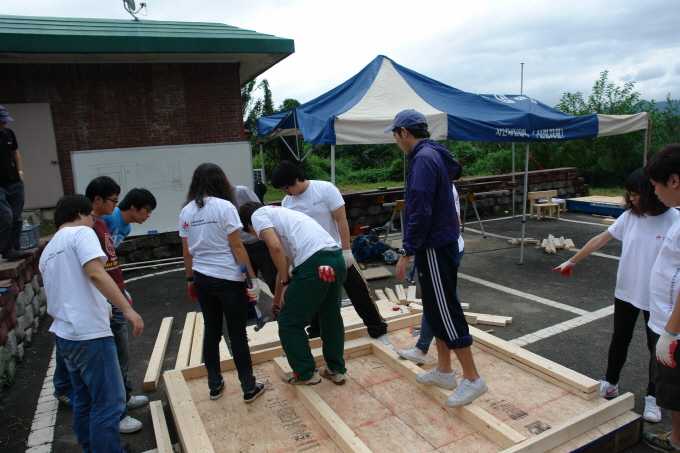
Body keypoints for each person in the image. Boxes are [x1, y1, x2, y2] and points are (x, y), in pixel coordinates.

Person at [554, 168, 677, 423]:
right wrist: (572, 260)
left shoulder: (674, 220)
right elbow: (601, 239)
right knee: (620, 339)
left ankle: (653, 396)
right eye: (629, 194)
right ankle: (611, 383)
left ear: (651, 192)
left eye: (636, 194)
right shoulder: (631, 217)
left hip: (658, 298)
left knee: (654, 347)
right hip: (627, 291)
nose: (631, 199)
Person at [388, 109, 487, 407]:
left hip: (434, 246)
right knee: (434, 308)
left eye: (395, 135)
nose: (396, 141)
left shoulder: (422, 160)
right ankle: (444, 370)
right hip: (441, 242)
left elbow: (419, 210)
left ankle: (473, 379)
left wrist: (407, 251)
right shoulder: (434, 154)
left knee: (446, 310)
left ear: (404, 132)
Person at [40, 194, 144, 453]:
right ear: (79, 214)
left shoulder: (49, 249)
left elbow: (67, 288)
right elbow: (96, 273)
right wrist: (127, 308)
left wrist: (103, 304)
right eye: (91, 216)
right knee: (109, 403)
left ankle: (92, 447)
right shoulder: (81, 233)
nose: (94, 221)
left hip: (66, 336)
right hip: (90, 335)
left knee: (85, 400)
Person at [270, 161, 392, 348]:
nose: (286, 193)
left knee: (359, 291)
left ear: (296, 179)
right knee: (314, 299)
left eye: (286, 188)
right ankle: (316, 334)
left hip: (335, 253)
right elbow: (290, 236)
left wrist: (346, 250)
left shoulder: (324, 189)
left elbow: (341, 220)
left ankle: (378, 330)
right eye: (282, 191)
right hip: (309, 259)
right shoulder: (287, 203)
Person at [180, 163, 265, 403]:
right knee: (237, 334)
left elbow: (186, 253)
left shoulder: (186, 211)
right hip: (228, 279)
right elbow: (237, 247)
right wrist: (252, 279)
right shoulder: (225, 206)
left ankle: (214, 385)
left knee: (212, 332)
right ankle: (248, 387)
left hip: (202, 279)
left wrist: (190, 280)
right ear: (220, 182)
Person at [238, 201, 348, 385]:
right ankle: (336, 369)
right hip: (335, 259)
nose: (256, 235)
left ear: (249, 224)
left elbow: (275, 248)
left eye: (251, 232)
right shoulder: (285, 217)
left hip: (314, 263)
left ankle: (305, 374)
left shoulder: (258, 215)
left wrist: (288, 282)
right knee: (331, 317)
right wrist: (277, 298)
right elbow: (284, 264)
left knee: (289, 322)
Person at [397, 182, 465, 366]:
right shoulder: (447, 183)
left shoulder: (434, 184)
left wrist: (407, 251)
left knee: (435, 299)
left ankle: (422, 348)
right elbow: (457, 220)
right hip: (450, 247)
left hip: (441, 250)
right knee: (445, 297)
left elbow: (422, 220)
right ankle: (449, 338)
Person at [641, 144, 680, 453]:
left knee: (676, 388)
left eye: (656, 185)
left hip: (674, 326)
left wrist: (670, 332)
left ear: (674, 181)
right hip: (667, 319)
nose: (654, 192)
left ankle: (677, 441)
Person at [232, 185, 278, 314]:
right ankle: (250, 312)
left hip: (259, 243)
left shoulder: (242, 192)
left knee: (272, 277)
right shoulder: (219, 199)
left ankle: (282, 305)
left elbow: (259, 211)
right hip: (241, 245)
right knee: (244, 280)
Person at [0, 106, 32, 261]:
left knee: (17, 218)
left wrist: (20, 171)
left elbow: (15, 153)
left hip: (13, 181)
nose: (4, 123)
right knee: (6, 215)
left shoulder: (8, 133)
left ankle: (16, 249)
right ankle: (6, 249)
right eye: (1, 121)